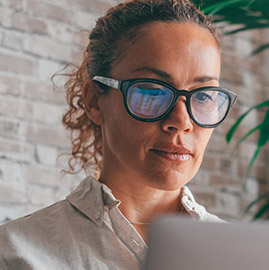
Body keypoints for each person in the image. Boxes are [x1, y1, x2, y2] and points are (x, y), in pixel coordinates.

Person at [0, 0, 237, 269]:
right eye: (151, 91)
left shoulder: (244, 255)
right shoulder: (15, 253)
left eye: (204, 95)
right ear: (94, 102)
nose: (181, 122)